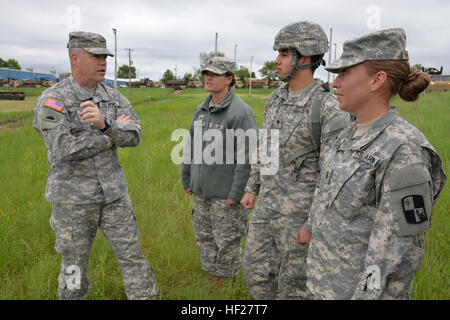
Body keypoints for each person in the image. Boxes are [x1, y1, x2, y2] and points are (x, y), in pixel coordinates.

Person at [298, 28, 447, 299]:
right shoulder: (347, 134)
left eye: (345, 74)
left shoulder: (404, 150)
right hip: (322, 286)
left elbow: (398, 254)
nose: (335, 83)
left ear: (377, 80)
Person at [33, 31, 159, 300]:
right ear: (75, 58)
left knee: (132, 255)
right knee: (74, 266)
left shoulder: (112, 96)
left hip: (114, 196)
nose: (103, 62)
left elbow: (134, 135)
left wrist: (105, 124)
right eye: (96, 56)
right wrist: (109, 135)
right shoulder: (53, 100)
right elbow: (62, 149)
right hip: (72, 202)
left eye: (105, 56)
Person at [240, 21, 351, 300]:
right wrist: (252, 187)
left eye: (284, 53)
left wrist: (312, 225)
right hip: (267, 208)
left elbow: (333, 175)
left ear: (305, 57)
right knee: (256, 272)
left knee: (294, 285)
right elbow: (264, 146)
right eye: (278, 53)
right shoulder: (277, 97)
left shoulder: (328, 106)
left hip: (299, 216)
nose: (276, 61)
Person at [181, 57, 257, 290]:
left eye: (215, 74)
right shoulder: (201, 110)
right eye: (206, 73)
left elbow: (247, 157)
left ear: (229, 79)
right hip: (201, 192)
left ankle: (225, 286)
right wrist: (187, 177)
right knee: (204, 237)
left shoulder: (241, 112)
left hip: (226, 196)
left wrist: (236, 192)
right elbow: (191, 146)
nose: (208, 77)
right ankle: (210, 278)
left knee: (227, 242)